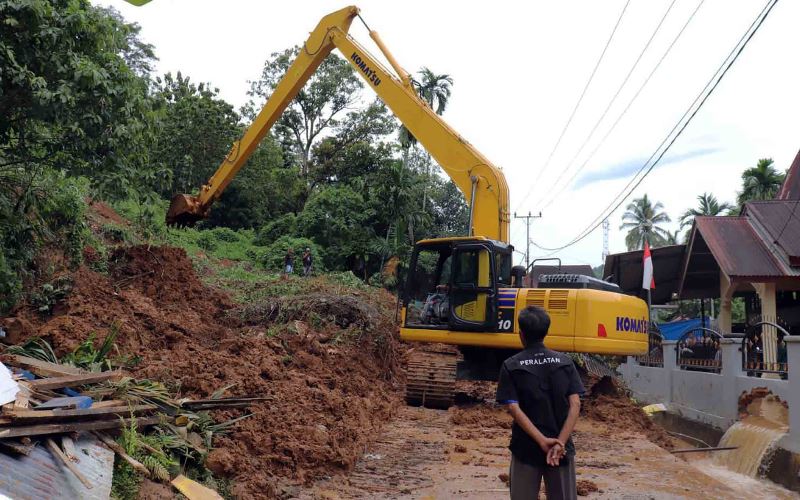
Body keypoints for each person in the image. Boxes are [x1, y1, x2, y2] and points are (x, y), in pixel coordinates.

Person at [496, 306, 584, 500]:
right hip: (560, 451)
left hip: (525, 449)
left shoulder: (511, 365)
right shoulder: (566, 362)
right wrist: (560, 442)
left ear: (521, 334)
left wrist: (541, 441)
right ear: (546, 332)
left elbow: (513, 407)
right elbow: (575, 404)